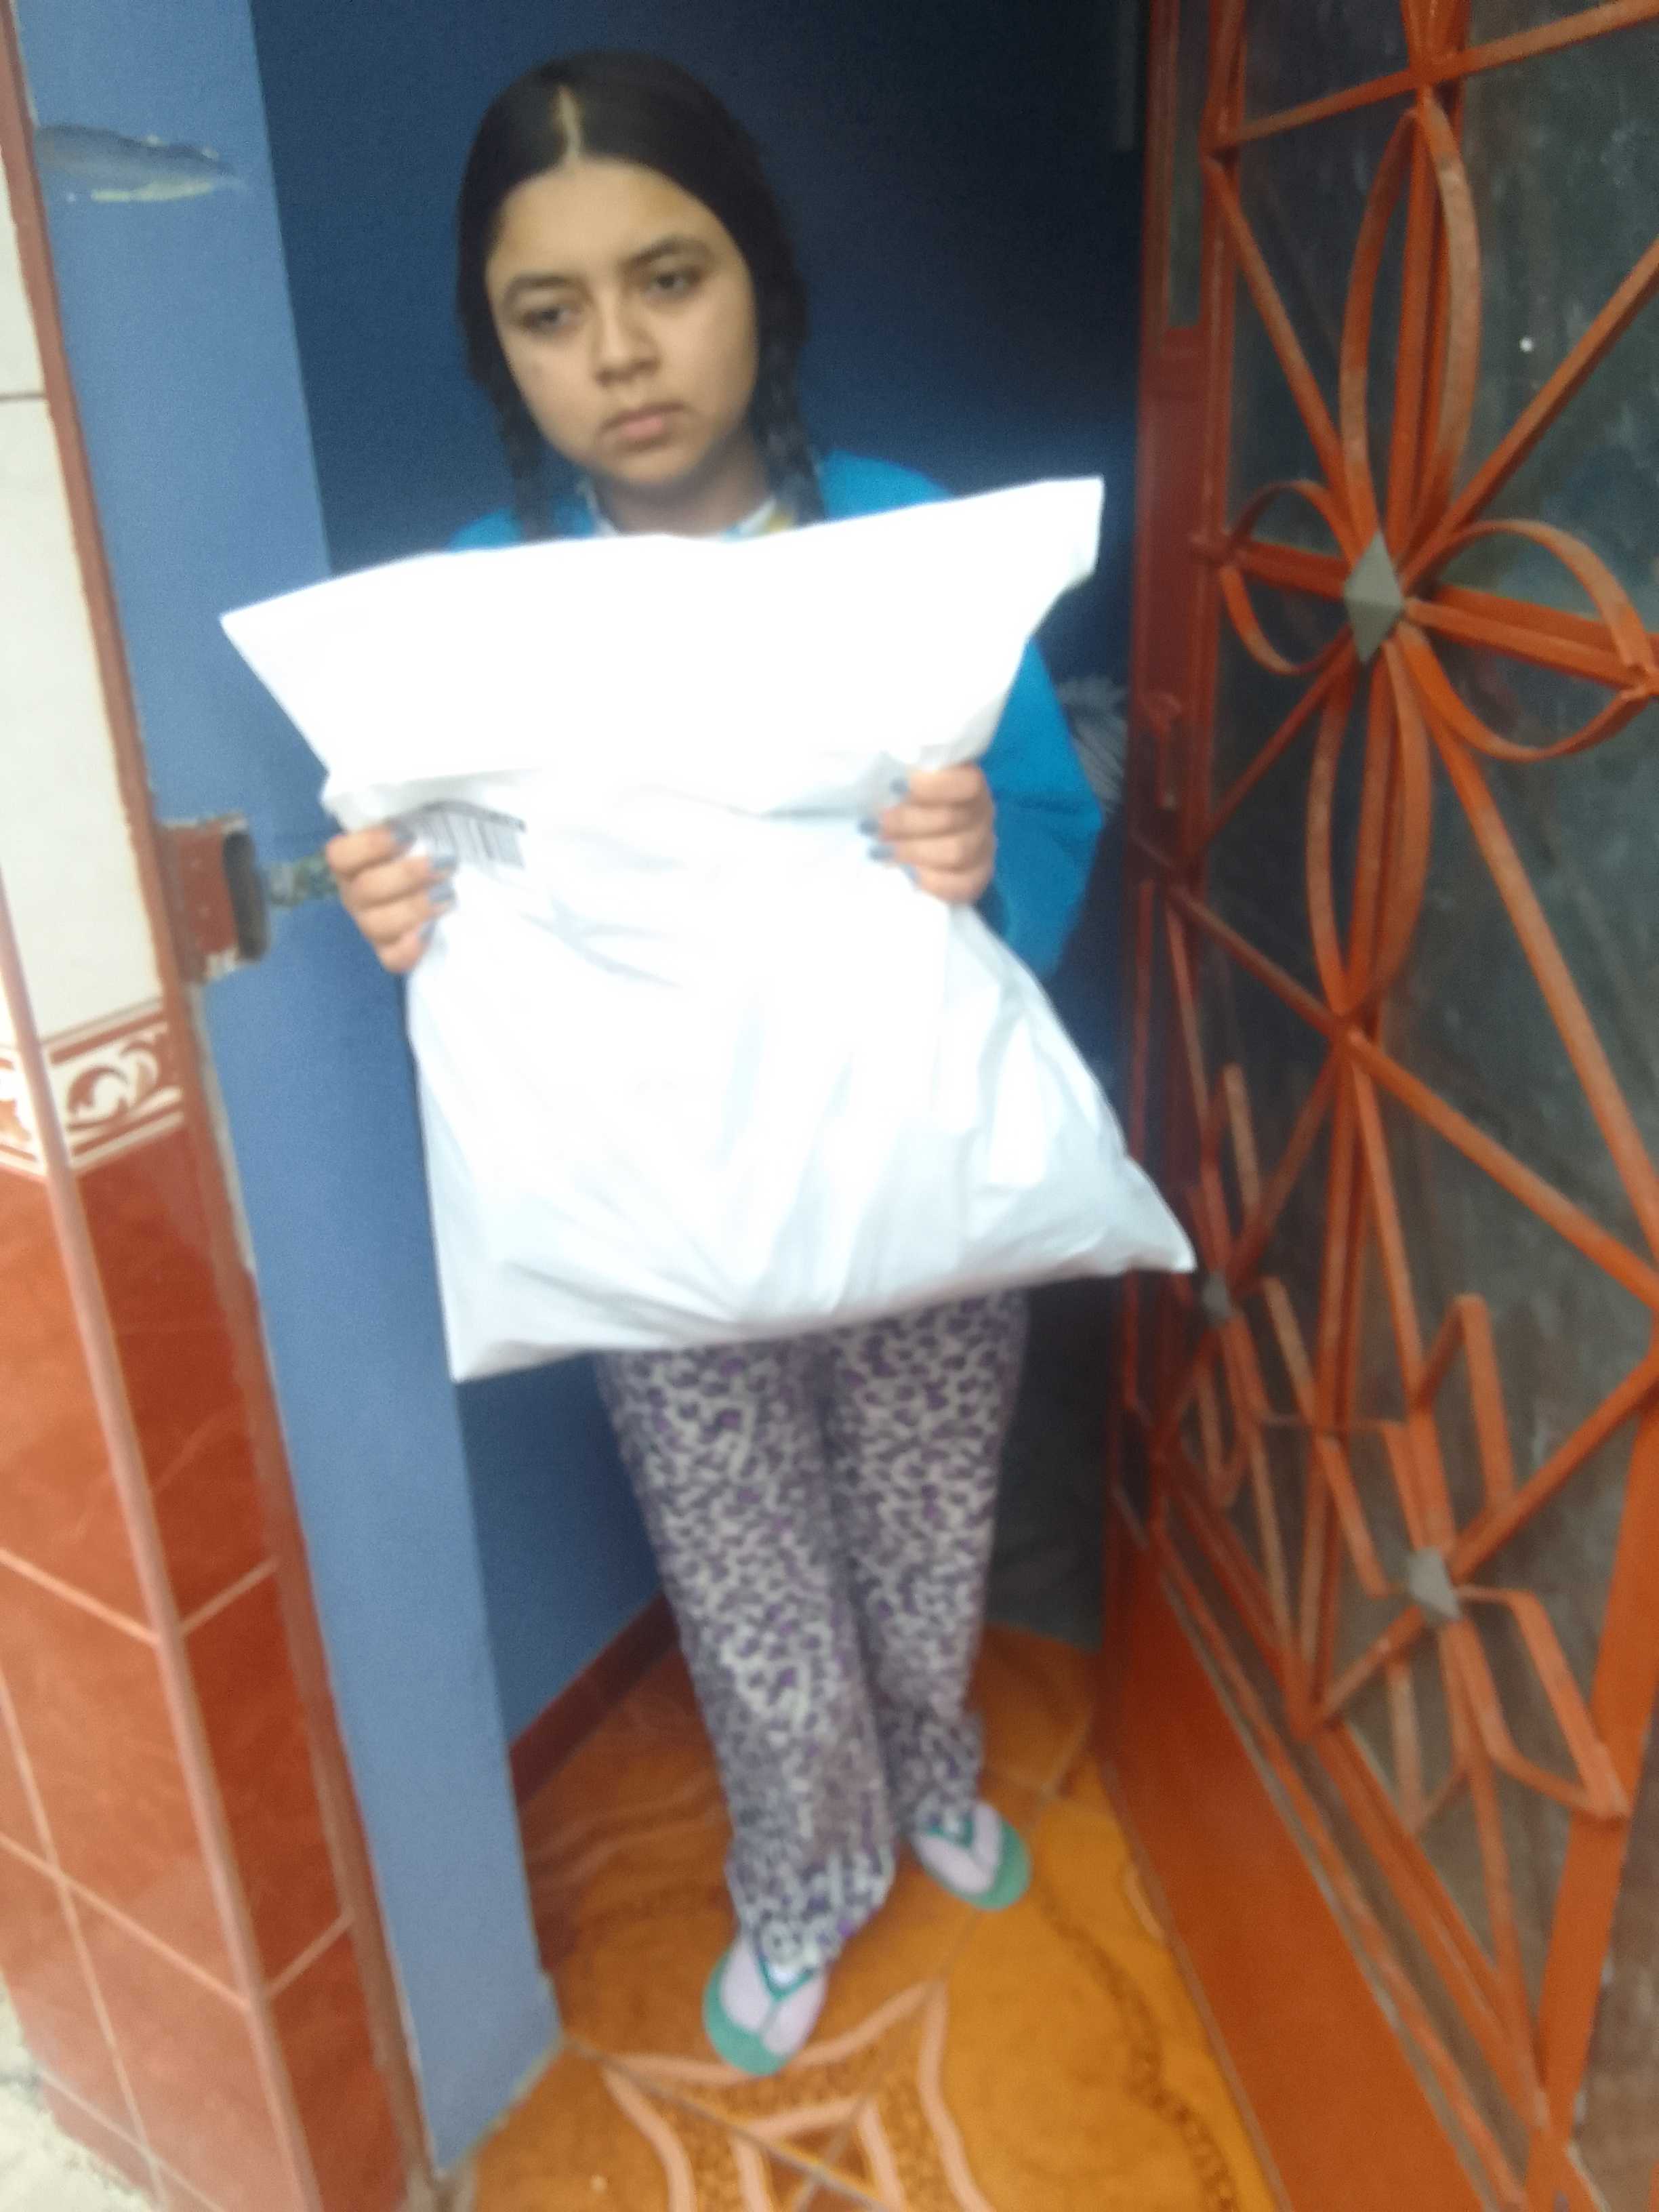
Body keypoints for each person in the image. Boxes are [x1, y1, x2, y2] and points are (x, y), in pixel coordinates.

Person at [326, 50, 1102, 2077]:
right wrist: (406, 908)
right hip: (651, 1196)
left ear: (760, 276)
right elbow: (462, 897)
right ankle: (806, 1873)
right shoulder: (476, 618)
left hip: (911, 1159)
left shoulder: (902, 543)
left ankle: (932, 1769)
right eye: (549, 311)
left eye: (667, 278)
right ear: (501, 348)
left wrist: (984, 853)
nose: (619, 353)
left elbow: (1045, 805)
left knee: (927, 1524)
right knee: (744, 1570)